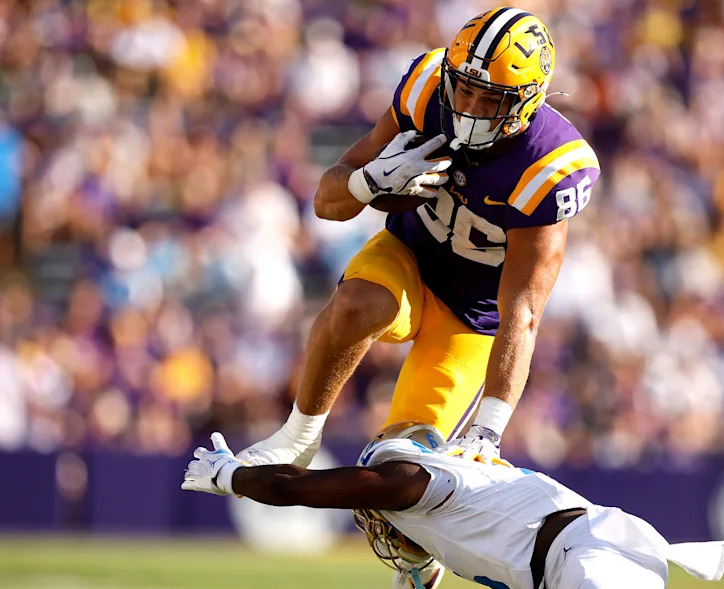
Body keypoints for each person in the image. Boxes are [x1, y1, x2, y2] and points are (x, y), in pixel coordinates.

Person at [237, 7, 601, 470]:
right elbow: (327, 202)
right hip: (407, 257)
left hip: (472, 318)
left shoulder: (548, 167)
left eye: (490, 99)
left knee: (406, 469)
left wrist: (489, 430)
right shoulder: (427, 88)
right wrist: (369, 181)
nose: (469, 108)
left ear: (527, 102)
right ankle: (297, 437)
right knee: (357, 304)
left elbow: (523, 314)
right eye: (464, 89)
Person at [182, 424, 724, 589]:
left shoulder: (408, 481)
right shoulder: (439, 486)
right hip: (563, 577)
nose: (381, 533)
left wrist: (230, 475)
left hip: (587, 553)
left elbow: (301, 486)